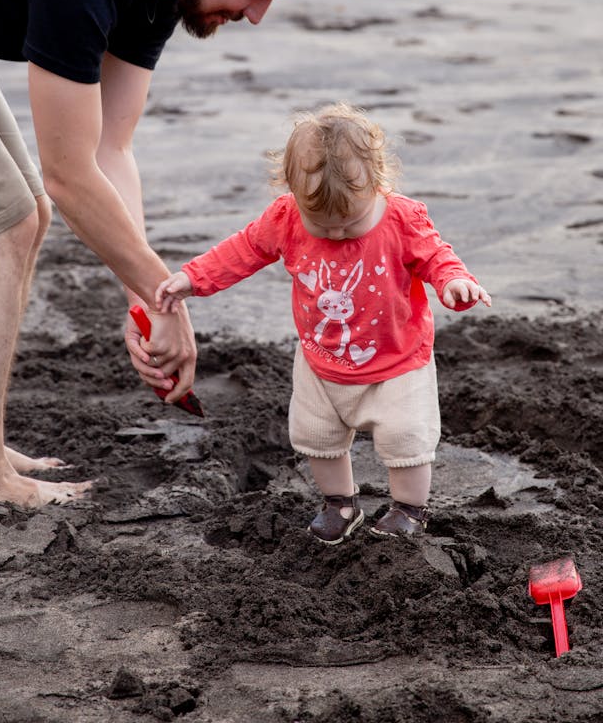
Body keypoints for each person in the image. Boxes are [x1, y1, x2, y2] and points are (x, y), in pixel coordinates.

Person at [0, 0, 326, 516]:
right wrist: (169, 296)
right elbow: (68, 174)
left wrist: (148, 301)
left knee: (22, 214)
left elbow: (109, 151)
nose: (256, 16)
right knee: (2, 221)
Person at [155, 102, 491, 545]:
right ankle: (340, 504)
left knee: (406, 437)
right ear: (291, 191)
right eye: (322, 225)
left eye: (349, 223)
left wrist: (455, 283)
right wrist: (193, 278)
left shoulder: (401, 218)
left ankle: (408, 509)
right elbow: (244, 250)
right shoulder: (286, 218)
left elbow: (437, 257)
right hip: (320, 359)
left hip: (398, 360)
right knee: (316, 435)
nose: (335, 234)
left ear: (378, 183)